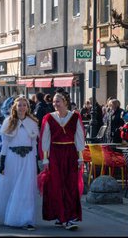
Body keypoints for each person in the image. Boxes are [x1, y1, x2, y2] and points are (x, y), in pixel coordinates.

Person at [0, 97, 39, 231]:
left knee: (26, 188)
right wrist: (3, 162)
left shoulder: (32, 122)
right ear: (15, 108)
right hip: (12, 157)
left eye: (24, 105)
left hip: (28, 158)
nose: (22, 108)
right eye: (20, 105)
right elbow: (5, 144)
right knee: (9, 185)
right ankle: (6, 213)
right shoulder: (9, 122)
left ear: (27, 107)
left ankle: (25, 218)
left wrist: (36, 161)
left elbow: (34, 144)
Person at [39, 89, 85, 230]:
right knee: (56, 185)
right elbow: (45, 139)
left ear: (65, 102)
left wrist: (80, 158)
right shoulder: (49, 117)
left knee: (70, 185)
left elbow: (79, 138)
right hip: (55, 154)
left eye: (57, 101)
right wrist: (45, 160)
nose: (55, 104)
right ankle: (60, 215)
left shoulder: (75, 117)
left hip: (70, 153)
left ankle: (70, 217)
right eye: (53, 102)